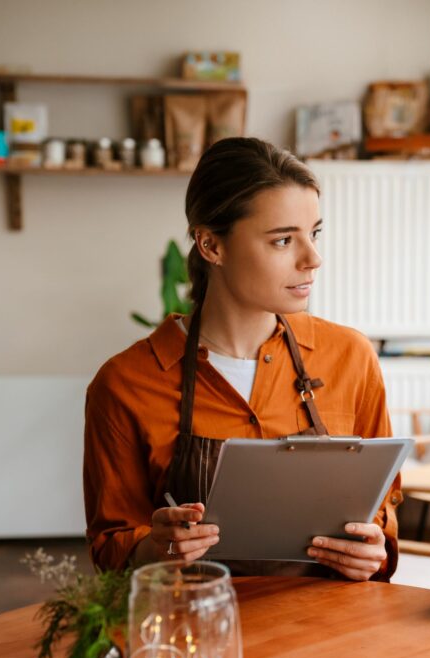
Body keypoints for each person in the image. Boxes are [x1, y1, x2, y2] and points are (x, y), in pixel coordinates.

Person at [85, 137, 400, 581]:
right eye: (282, 240)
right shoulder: (124, 383)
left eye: (314, 234)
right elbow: (110, 544)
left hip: (333, 631)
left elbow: (383, 509)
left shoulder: (351, 358)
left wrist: (373, 550)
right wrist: (154, 548)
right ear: (211, 245)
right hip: (194, 631)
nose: (313, 259)